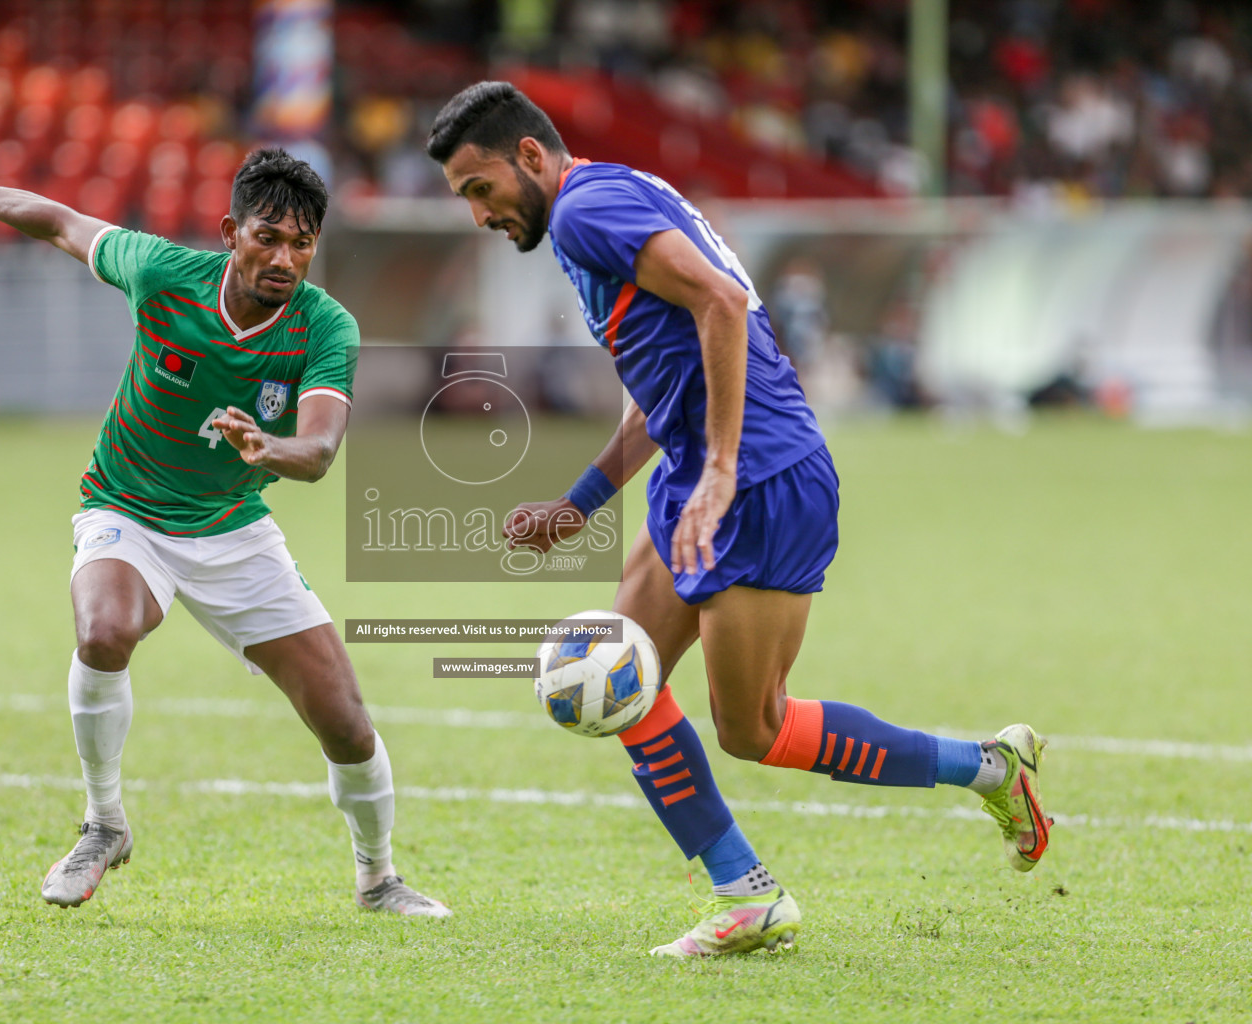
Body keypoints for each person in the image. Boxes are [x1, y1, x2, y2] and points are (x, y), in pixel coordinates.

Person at [425, 82, 1051, 957]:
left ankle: (988, 766)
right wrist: (580, 504)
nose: (479, 213)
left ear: (529, 156)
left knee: (752, 727)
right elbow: (665, 383)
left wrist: (720, 471)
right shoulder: (610, 196)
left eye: (478, 188)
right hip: (701, 471)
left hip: (757, 476)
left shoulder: (583, 212)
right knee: (619, 670)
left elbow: (720, 302)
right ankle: (744, 894)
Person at [0, 148, 450, 917]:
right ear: (230, 232)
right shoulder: (161, 272)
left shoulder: (326, 326)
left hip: (235, 530)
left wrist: (267, 448)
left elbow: (316, 453)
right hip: (127, 509)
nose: (285, 258)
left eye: (302, 243)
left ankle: (378, 878)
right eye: (267, 237)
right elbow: (59, 222)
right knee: (105, 630)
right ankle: (103, 823)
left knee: (346, 725)